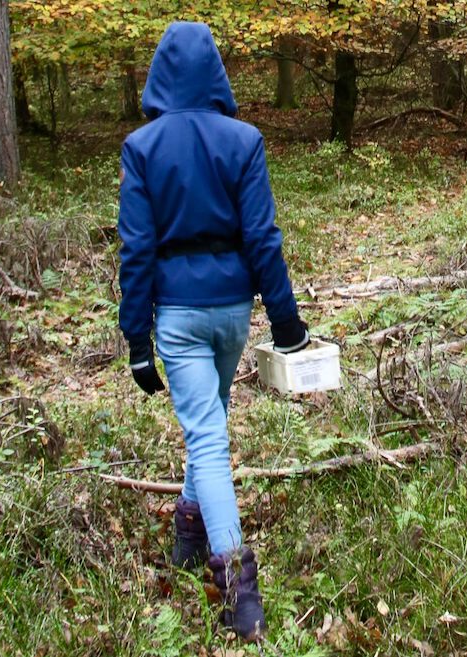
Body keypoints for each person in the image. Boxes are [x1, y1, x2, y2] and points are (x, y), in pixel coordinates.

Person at [116, 21, 308, 641]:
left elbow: (136, 250)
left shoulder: (142, 147)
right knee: (211, 426)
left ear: (160, 75)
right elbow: (262, 237)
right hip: (231, 310)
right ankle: (188, 532)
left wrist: (137, 340)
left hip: (176, 312)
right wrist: (285, 320)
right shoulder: (243, 140)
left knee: (207, 438)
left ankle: (236, 584)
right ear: (217, 73)